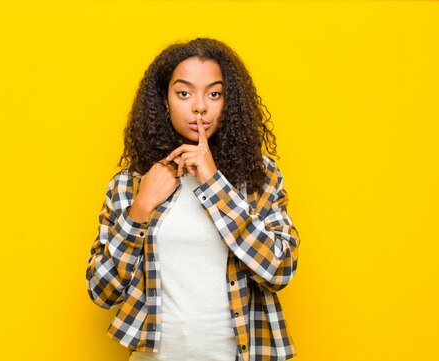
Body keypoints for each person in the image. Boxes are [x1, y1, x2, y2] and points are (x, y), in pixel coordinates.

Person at [85, 37, 301, 361]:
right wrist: (141, 208)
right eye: (184, 93)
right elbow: (101, 292)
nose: (199, 106)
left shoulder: (258, 177)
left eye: (214, 93)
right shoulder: (130, 186)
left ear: (228, 102)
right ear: (165, 101)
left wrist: (214, 183)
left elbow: (280, 269)